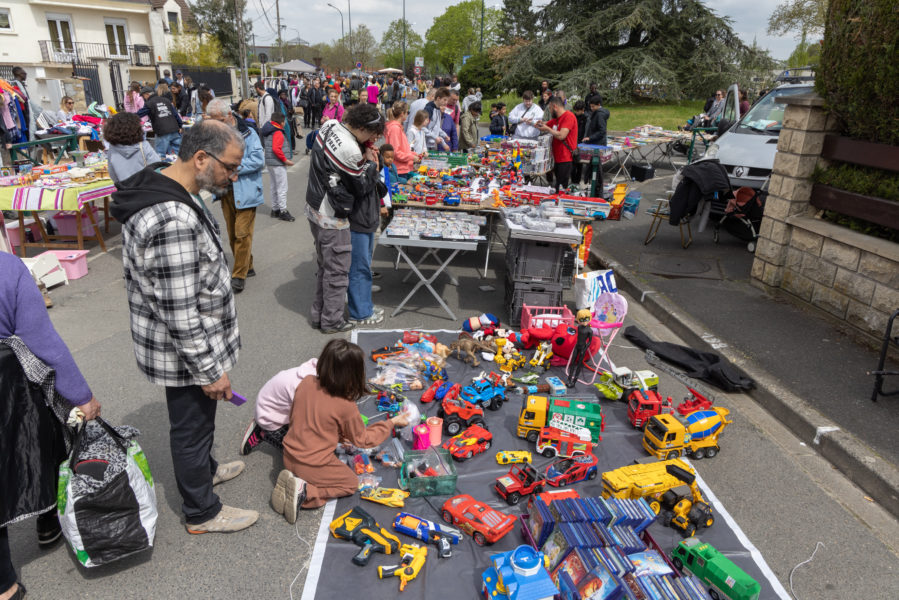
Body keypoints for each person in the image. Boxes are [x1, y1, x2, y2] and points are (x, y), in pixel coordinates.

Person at [110, 120, 258, 535]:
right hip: (188, 353)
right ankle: (201, 512)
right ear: (200, 159)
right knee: (192, 427)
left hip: (188, 347)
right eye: (230, 167)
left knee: (199, 422)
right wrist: (210, 369)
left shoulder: (167, 183)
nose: (234, 175)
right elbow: (179, 310)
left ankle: (204, 473)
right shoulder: (171, 217)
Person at [1, 252, 102, 600]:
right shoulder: (7, 268)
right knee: (40, 443)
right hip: (8, 386)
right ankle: (47, 522)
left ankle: (4, 584)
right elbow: (41, 340)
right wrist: (82, 396)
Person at [272, 340, 412, 520]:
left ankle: (293, 483)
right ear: (353, 374)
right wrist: (392, 422)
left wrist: (337, 435)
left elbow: (302, 417)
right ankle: (305, 493)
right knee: (350, 483)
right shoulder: (345, 405)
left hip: (288, 455)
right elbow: (363, 439)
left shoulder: (306, 382)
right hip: (310, 465)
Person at [304, 103, 385, 334]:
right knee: (338, 272)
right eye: (372, 133)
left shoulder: (329, 125)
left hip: (313, 206)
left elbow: (312, 143)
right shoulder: (349, 149)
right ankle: (332, 320)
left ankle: (318, 315)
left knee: (325, 267)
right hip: (331, 215)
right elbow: (362, 186)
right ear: (362, 128)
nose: (372, 139)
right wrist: (370, 162)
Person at [205, 98, 265, 293]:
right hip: (225, 191)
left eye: (219, 121)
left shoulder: (249, 133)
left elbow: (258, 159)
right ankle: (248, 265)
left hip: (245, 189)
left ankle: (238, 275)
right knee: (232, 233)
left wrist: (235, 167)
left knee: (242, 233)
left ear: (229, 116)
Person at [239, 358, 318, 455]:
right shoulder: (306, 390)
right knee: (300, 452)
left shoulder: (319, 370)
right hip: (268, 416)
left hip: (276, 406)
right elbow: (308, 421)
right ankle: (261, 433)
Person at [104, 112, 162, 184]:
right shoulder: (143, 146)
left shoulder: (112, 149)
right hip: (146, 188)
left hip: (125, 190)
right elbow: (157, 166)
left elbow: (113, 175)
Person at [537, 96, 578, 192]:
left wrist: (547, 129)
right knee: (558, 185)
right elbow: (546, 124)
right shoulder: (557, 119)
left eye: (550, 109)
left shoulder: (569, 116)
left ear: (555, 106)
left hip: (565, 158)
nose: (550, 112)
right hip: (557, 158)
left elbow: (561, 135)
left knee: (561, 187)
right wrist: (539, 124)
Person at [261, 111, 295, 222]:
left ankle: (275, 209)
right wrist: (285, 160)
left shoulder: (268, 130)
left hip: (270, 163)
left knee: (274, 186)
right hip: (278, 163)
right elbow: (276, 149)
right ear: (281, 122)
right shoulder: (278, 132)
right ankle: (283, 211)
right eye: (284, 121)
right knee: (282, 187)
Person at [138, 84, 183, 156]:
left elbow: (139, 114)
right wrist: (180, 125)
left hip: (162, 131)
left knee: (160, 154)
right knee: (179, 154)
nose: (144, 98)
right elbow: (175, 114)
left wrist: (126, 117)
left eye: (143, 96)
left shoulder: (149, 103)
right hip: (175, 129)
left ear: (147, 94)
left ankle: (163, 167)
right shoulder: (166, 100)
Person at [384, 101, 421, 183]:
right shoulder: (395, 129)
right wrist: (412, 157)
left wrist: (413, 154)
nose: (408, 114)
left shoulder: (398, 128)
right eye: (407, 112)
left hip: (401, 168)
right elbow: (396, 152)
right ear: (402, 114)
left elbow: (402, 149)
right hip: (399, 169)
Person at [581, 94, 610, 189]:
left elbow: (602, 131)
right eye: (590, 106)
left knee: (596, 169)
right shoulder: (596, 112)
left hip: (598, 144)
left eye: (593, 106)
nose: (591, 108)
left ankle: (595, 187)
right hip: (595, 142)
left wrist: (590, 138)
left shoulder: (600, 114)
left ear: (598, 104)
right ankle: (591, 185)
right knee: (592, 167)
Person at [571, 100, 587, 184]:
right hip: (573, 141)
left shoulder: (585, 118)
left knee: (579, 163)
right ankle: (573, 179)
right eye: (575, 110)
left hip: (581, 142)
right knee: (573, 163)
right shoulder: (573, 116)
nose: (576, 112)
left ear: (582, 110)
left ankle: (577, 179)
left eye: (578, 111)